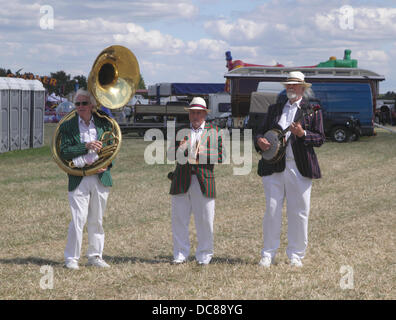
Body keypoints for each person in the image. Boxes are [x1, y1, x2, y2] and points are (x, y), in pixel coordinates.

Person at [254, 71, 325, 268]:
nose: (291, 88)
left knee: (299, 212)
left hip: (299, 167)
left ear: (303, 88)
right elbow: (259, 132)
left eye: (295, 85)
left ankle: (296, 255)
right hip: (274, 166)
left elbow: (320, 138)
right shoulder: (274, 109)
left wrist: (302, 134)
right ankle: (268, 254)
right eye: (288, 85)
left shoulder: (313, 110)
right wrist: (260, 141)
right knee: (272, 211)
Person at [59, 89, 113, 270]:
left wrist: (107, 164)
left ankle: (95, 256)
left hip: (99, 177)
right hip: (78, 177)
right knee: (77, 219)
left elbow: (113, 147)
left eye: (84, 103)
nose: (80, 107)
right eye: (77, 104)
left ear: (92, 105)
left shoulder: (104, 123)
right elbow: (63, 152)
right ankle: (71, 258)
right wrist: (85, 146)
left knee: (97, 219)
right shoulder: (68, 126)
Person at [169, 97, 223, 265]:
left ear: (205, 114)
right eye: (192, 112)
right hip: (181, 180)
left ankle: (205, 255)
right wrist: (180, 149)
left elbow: (221, 156)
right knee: (179, 219)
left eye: (199, 113)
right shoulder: (181, 130)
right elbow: (170, 154)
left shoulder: (214, 131)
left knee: (205, 219)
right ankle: (180, 254)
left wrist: (201, 152)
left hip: (204, 181)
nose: (195, 116)